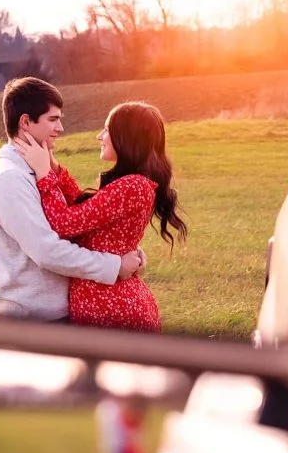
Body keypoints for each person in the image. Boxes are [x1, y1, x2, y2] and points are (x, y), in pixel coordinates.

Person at [15, 100, 187, 332]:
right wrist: (54, 167)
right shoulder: (134, 183)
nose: (100, 136)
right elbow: (87, 212)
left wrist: (44, 174)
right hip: (110, 303)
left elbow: (65, 223)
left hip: (111, 309)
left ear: (126, 137)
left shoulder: (132, 186)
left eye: (107, 129)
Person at [0, 77, 145, 322]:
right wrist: (114, 266)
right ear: (26, 122)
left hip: (62, 312)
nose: (60, 128)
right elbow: (48, 252)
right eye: (53, 119)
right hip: (37, 319)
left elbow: (78, 221)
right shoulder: (10, 179)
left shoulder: (37, 170)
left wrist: (121, 246)